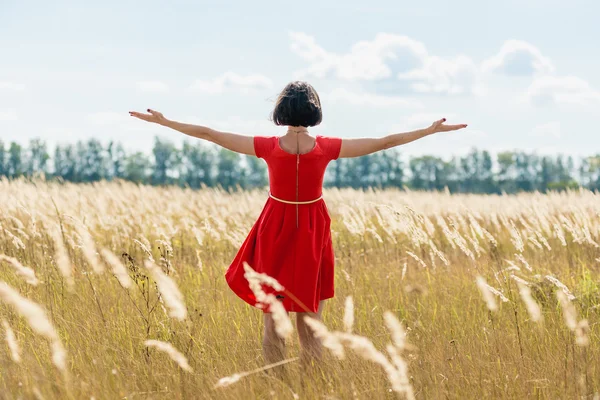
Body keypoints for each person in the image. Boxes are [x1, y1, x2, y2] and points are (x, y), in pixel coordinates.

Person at [129, 80, 467, 365]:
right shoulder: (325, 147)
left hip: (275, 225)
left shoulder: (268, 146)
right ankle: (312, 387)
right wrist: (429, 131)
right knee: (311, 320)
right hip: (310, 229)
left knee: (273, 319)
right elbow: (385, 142)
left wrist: (165, 122)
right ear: (314, 111)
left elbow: (209, 134)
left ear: (280, 111)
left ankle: (277, 386)